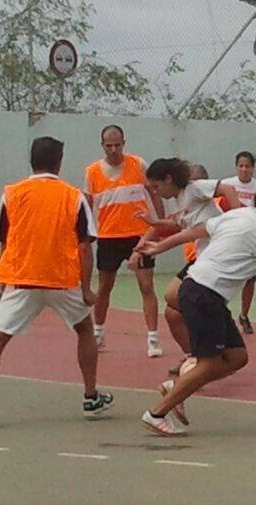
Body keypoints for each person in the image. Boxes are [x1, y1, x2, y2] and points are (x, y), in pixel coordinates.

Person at [137, 177, 256, 436]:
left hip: (201, 291)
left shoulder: (236, 215)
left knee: (237, 357)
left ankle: (179, 387)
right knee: (208, 362)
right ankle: (156, 413)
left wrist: (161, 246)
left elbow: (195, 231)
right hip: (204, 293)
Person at [0, 137, 114, 429]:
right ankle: (90, 397)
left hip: (21, 281)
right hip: (63, 282)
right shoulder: (74, 197)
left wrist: (3, 285)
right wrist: (86, 289)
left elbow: (5, 242)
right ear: (59, 162)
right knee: (85, 329)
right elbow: (85, 247)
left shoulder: (11, 194)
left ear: (31, 161)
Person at [132, 159, 239, 425]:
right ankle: (194, 361)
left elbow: (227, 189)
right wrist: (154, 224)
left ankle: (196, 362)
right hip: (203, 261)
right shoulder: (181, 201)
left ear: (169, 179)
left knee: (174, 297)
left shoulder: (194, 188)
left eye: (156, 186)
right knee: (173, 312)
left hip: (214, 260)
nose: (155, 192)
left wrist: (238, 218)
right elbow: (180, 224)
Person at [84, 124, 164, 357]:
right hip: (108, 237)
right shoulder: (92, 172)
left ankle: (153, 339)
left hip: (138, 236)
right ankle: (98, 334)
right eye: (109, 145)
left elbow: (155, 194)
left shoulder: (138, 164)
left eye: (117, 145)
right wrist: (86, 234)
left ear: (124, 143)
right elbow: (87, 205)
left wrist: (159, 224)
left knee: (146, 286)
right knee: (104, 288)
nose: (113, 149)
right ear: (102, 145)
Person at [221, 151, 256, 334]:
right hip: (229, 237)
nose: (244, 169)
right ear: (236, 167)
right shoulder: (227, 185)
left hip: (251, 239)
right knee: (225, 276)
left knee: (250, 278)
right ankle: (221, 313)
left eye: (248, 166)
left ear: (253, 168)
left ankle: (244, 315)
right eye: (241, 166)